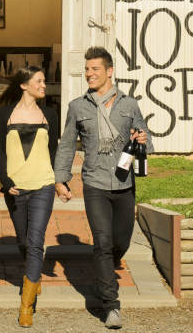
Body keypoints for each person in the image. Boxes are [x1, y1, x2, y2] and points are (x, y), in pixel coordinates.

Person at [53, 46, 151, 330]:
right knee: (103, 243)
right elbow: (67, 144)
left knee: (121, 241)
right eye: (87, 69)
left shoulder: (129, 105)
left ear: (110, 71)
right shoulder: (77, 107)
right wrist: (61, 179)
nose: (89, 74)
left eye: (95, 69)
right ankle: (111, 305)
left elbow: (146, 141)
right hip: (94, 182)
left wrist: (143, 139)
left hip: (124, 183)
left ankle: (105, 271)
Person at [0, 65, 60, 328]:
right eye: (39, 81)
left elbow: (54, 151)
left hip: (43, 184)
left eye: (44, 81)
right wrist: (4, 180)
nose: (44, 85)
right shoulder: (5, 114)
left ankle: (26, 307)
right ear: (24, 85)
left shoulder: (50, 114)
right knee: (23, 241)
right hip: (15, 187)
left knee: (35, 242)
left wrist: (59, 181)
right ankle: (35, 278)